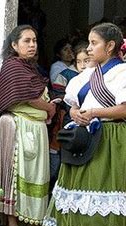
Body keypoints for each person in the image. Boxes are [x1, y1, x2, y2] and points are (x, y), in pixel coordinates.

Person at [41, 23, 126, 226]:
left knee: (101, 189)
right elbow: (75, 104)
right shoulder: (89, 74)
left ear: (110, 46)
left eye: (94, 43)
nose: (89, 49)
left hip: (111, 139)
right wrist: (76, 113)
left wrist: (94, 113)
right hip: (85, 136)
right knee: (80, 190)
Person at [0, 25, 55, 226]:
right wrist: (49, 108)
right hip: (20, 128)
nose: (32, 45)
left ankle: (31, 222)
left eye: (34, 41)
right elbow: (28, 96)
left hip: (35, 128)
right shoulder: (13, 67)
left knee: (35, 175)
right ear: (14, 45)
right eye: (27, 41)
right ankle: (12, 225)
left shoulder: (30, 67)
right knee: (16, 175)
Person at [48, 42, 91, 191]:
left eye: (87, 60)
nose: (83, 65)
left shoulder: (98, 78)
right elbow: (58, 95)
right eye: (79, 61)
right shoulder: (68, 76)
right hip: (69, 123)